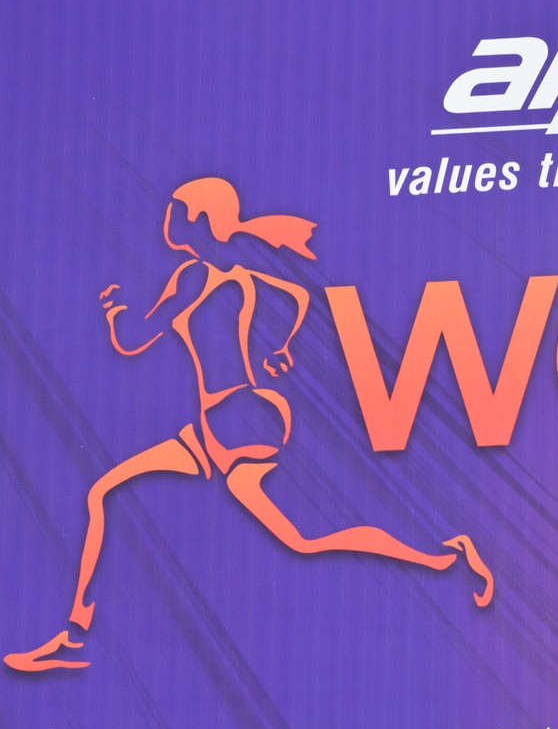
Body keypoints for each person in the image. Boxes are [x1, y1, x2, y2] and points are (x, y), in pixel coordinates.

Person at [9, 178, 493, 675]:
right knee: (293, 537)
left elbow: (135, 339)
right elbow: (299, 296)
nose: (166, 216)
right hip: (216, 425)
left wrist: (115, 313)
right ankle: (447, 556)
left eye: (175, 209)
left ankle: (75, 635)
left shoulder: (198, 277)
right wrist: (282, 345)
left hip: (240, 419)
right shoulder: (215, 272)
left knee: (112, 496)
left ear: (199, 219)